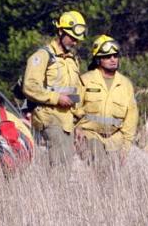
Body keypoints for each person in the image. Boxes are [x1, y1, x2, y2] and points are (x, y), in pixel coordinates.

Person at [23, 10, 86, 167]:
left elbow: (76, 92)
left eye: (77, 39)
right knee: (59, 162)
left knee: (66, 163)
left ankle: (59, 191)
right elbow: (29, 86)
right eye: (72, 37)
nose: (75, 42)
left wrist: (80, 118)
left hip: (67, 120)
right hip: (48, 117)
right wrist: (57, 98)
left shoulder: (72, 60)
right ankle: (55, 190)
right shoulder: (43, 56)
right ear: (60, 31)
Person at [76, 35, 138, 167]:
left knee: (116, 176)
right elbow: (72, 109)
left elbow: (130, 120)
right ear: (98, 59)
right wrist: (76, 129)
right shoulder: (85, 81)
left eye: (115, 56)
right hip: (90, 135)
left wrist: (125, 148)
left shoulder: (126, 84)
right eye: (107, 56)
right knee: (102, 165)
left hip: (115, 140)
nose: (113, 59)